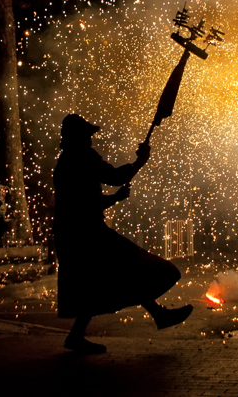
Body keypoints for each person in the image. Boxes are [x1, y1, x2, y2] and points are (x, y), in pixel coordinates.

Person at [54, 114, 192, 354]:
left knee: (100, 280)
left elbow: (83, 203)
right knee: (128, 268)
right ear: (79, 137)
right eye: (87, 135)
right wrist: (140, 162)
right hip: (88, 234)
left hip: (71, 233)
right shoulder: (84, 157)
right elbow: (116, 178)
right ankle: (158, 315)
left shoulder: (64, 162)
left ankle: (78, 336)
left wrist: (114, 199)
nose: (90, 140)